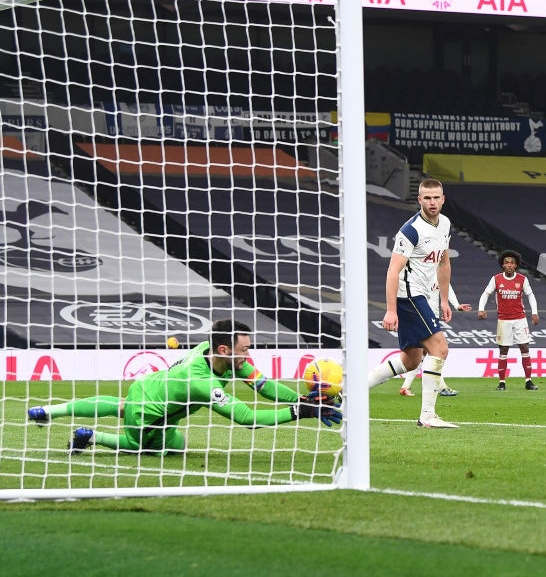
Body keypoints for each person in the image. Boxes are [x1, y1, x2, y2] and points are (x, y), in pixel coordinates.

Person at [27, 319, 342, 455]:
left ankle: (49, 412)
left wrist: (299, 397)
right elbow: (246, 418)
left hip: (146, 387)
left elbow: (264, 386)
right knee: (168, 446)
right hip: (149, 414)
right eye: (245, 350)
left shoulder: (213, 351)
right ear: (224, 351)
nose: (249, 355)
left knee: (121, 404)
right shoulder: (201, 383)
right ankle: (94, 436)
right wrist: (300, 410)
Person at [367, 178, 458, 428]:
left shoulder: (446, 224)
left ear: (443, 199)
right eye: (426, 198)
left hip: (427, 297)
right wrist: (391, 310)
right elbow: (392, 271)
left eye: (436, 197)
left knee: (411, 360)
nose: (432, 202)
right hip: (409, 296)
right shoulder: (410, 230)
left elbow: (444, 262)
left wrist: (444, 299)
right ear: (419, 200)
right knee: (440, 348)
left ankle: (351, 392)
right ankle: (427, 415)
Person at [477, 249, 541, 391]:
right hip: (503, 320)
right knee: (503, 350)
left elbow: (531, 295)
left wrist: (534, 312)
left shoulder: (522, 279)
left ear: (516, 265)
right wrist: (481, 309)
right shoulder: (496, 279)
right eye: (507, 263)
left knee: (524, 347)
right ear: (503, 265)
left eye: (512, 263)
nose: (510, 265)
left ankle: (529, 381)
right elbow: (485, 294)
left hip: (520, 319)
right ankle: (502, 382)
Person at [399, 282, 471, 397]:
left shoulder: (437, 272)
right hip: (422, 315)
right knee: (434, 351)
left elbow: (446, 287)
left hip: (432, 316)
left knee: (425, 353)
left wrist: (456, 305)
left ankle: (406, 386)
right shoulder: (420, 273)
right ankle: (441, 387)